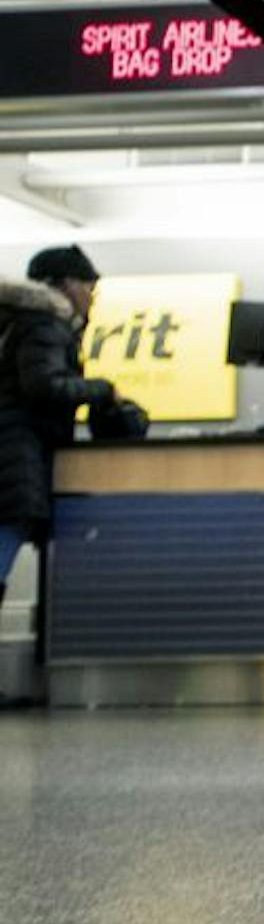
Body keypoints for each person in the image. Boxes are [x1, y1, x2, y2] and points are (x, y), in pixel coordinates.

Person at [0, 246, 116, 676]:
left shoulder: (14, 320)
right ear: (67, 285)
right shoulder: (43, 324)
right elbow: (44, 385)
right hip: (15, 459)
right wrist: (102, 391)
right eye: (90, 287)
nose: (92, 297)